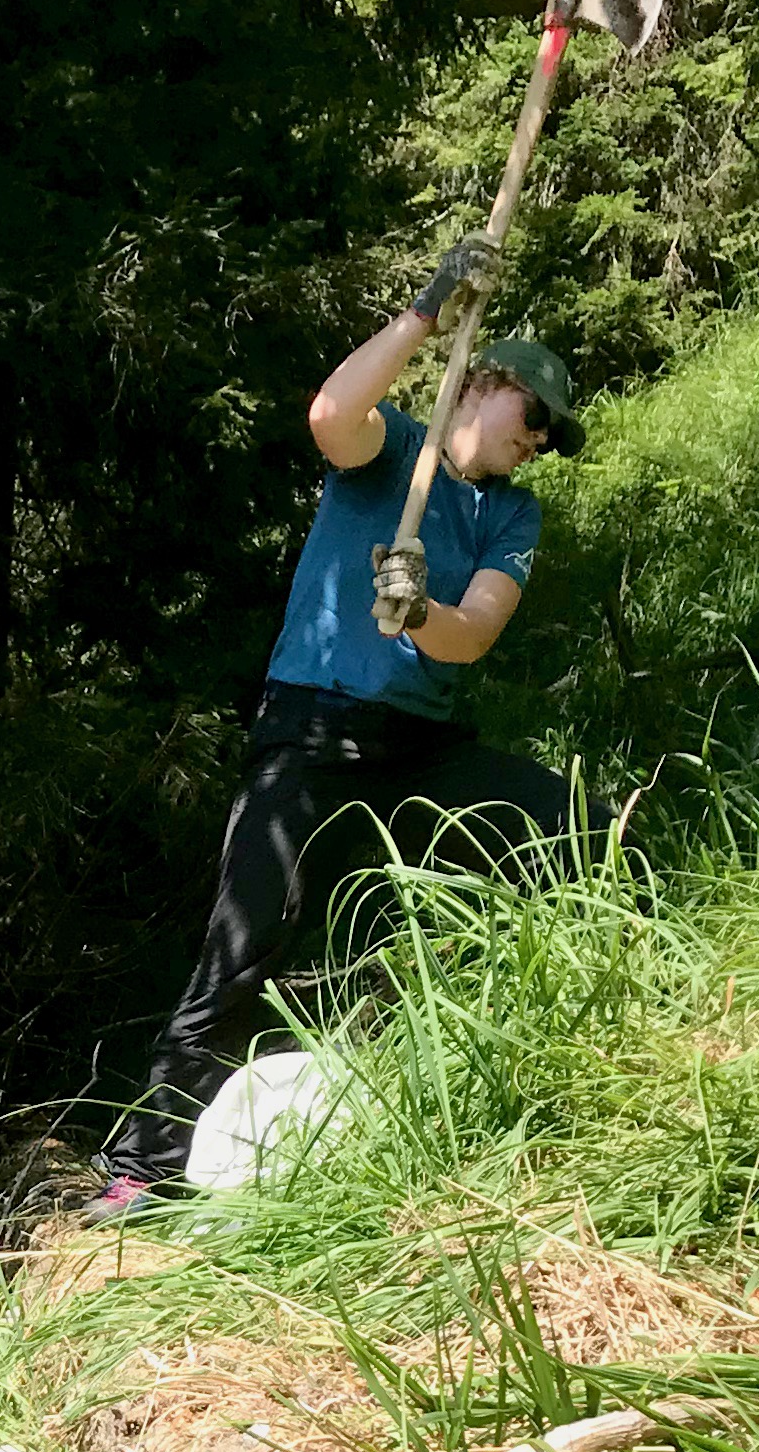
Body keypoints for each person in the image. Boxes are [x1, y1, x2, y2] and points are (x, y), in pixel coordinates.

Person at [91, 238, 592, 1212]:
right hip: (313, 735)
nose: (538, 440)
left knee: (574, 829)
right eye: (535, 417)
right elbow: (330, 414)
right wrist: (424, 313)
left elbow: (476, 631)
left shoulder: (512, 515)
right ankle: (143, 1171)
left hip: (421, 747)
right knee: (248, 936)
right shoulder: (391, 450)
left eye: (548, 435)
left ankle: (558, 1064)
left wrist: (421, 616)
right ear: (483, 384)